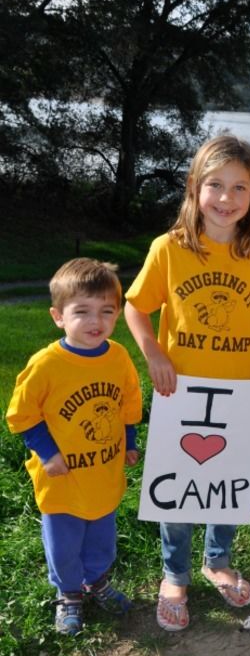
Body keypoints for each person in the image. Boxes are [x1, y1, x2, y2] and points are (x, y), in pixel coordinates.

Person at [124, 134, 250, 632]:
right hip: (181, 394)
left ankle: (217, 561)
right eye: (215, 185)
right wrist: (153, 353)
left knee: (228, 485)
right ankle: (174, 573)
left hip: (239, 396)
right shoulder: (169, 249)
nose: (226, 198)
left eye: (240, 187)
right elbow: (135, 306)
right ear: (195, 188)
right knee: (178, 489)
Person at [6, 259, 142, 636]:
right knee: (65, 545)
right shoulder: (47, 365)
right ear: (58, 317)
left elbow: (129, 403)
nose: (95, 321)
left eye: (106, 311)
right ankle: (68, 593)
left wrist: (130, 442)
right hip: (62, 481)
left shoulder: (118, 357)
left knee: (102, 538)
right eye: (81, 311)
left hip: (103, 474)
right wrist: (47, 454)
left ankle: (95, 582)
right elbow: (21, 415)